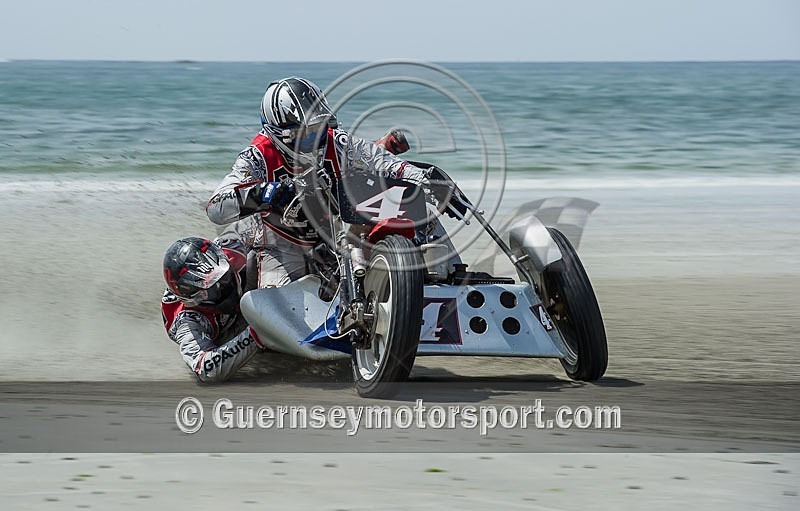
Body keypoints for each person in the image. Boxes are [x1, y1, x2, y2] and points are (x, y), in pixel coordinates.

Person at [205, 76, 462, 289]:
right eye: (306, 134)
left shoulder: (336, 141)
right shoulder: (257, 156)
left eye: (318, 129)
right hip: (283, 243)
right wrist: (263, 193)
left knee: (417, 209)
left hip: (338, 229)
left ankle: (455, 279)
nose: (316, 139)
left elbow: (384, 162)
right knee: (279, 299)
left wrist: (427, 181)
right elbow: (216, 207)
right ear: (278, 134)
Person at [161, 218, 266, 383]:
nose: (225, 287)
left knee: (262, 250)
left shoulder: (231, 246)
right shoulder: (187, 321)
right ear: (195, 298)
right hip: (230, 332)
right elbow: (205, 369)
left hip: (250, 291)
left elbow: (261, 221)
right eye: (212, 288)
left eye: (224, 278)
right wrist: (257, 333)